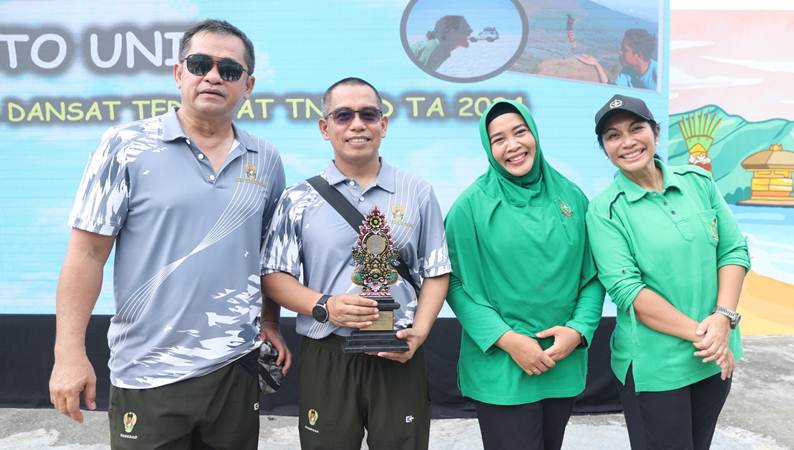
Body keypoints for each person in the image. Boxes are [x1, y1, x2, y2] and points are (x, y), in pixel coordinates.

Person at [49, 19, 291, 449]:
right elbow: (86, 255)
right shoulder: (124, 145)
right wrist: (68, 353)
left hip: (235, 370)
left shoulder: (266, 159)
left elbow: (266, 254)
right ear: (179, 74)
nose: (214, 76)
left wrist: (270, 321)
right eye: (201, 64)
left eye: (229, 70)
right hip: (147, 372)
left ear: (247, 84)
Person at [260, 77, 451, 450]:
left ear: (384, 123)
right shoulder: (298, 198)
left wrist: (421, 333)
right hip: (327, 352)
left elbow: (436, 272)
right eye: (344, 115)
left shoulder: (417, 191)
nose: (357, 124)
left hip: (398, 349)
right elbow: (274, 276)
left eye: (368, 114)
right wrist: (325, 306)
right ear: (325, 127)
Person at [586, 94, 750, 450]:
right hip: (656, 368)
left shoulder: (698, 182)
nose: (627, 142)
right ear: (605, 149)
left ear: (656, 133)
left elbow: (733, 250)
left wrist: (722, 320)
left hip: (713, 358)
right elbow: (629, 290)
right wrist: (707, 336)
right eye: (613, 136)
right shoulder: (606, 211)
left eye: (636, 128)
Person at [444, 99, 604, 450]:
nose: (513, 145)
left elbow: (592, 276)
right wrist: (508, 339)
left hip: (561, 360)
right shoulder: (470, 207)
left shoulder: (572, 198)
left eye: (520, 132)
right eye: (498, 139)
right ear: (489, 149)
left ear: (534, 134)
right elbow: (452, 283)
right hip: (502, 366)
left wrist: (578, 331)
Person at [577, 28, 658, 90]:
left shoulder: (658, 74)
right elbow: (611, 88)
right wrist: (596, 65)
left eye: (624, 50)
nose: (620, 52)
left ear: (638, 55)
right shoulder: (627, 71)